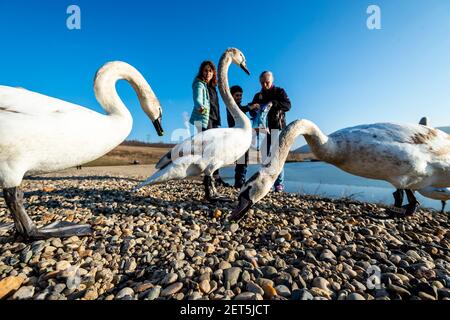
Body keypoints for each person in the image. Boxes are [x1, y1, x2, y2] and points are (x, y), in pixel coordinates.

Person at [249, 71, 291, 192]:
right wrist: (253, 108)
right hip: (262, 130)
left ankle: (279, 185)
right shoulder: (258, 96)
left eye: (267, 82)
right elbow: (252, 112)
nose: (264, 85)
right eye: (262, 83)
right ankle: (268, 183)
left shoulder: (279, 92)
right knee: (265, 158)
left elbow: (288, 105)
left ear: (272, 80)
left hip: (277, 127)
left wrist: (274, 103)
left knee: (276, 157)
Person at [189, 60, 228, 187]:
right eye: (205, 70)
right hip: (204, 120)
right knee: (208, 149)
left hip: (214, 119)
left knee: (216, 149)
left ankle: (215, 176)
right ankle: (208, 178)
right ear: (201, 71)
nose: (208, 73)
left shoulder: (212, 87)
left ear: (213, 73)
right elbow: (197, 98)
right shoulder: (199, 84)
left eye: (210, 71)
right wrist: (199, 106)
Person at [226, 85, 257, 188]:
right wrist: (251, 107)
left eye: (240, 95)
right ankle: (239, 182)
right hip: (237, 136)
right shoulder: (232, 106)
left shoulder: (238, 107)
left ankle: (239, 180)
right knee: (242, 159)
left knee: (243, 160)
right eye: (237, 95)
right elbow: (241, 109)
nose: (239, 97)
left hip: (241, 136)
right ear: (232, 96)